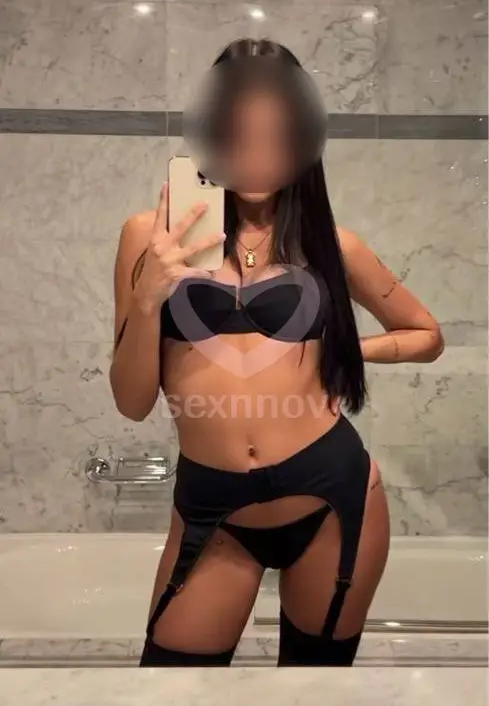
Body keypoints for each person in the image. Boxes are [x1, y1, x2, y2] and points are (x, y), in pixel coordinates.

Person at [110, 38, 444, 667]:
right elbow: (131, 402)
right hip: (212, 508)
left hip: (332, 501)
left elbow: (427, 335)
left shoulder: (333, 246)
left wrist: (348, 348)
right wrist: (150, 294)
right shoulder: (147, 239)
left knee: (313, 694)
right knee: (170, 690)